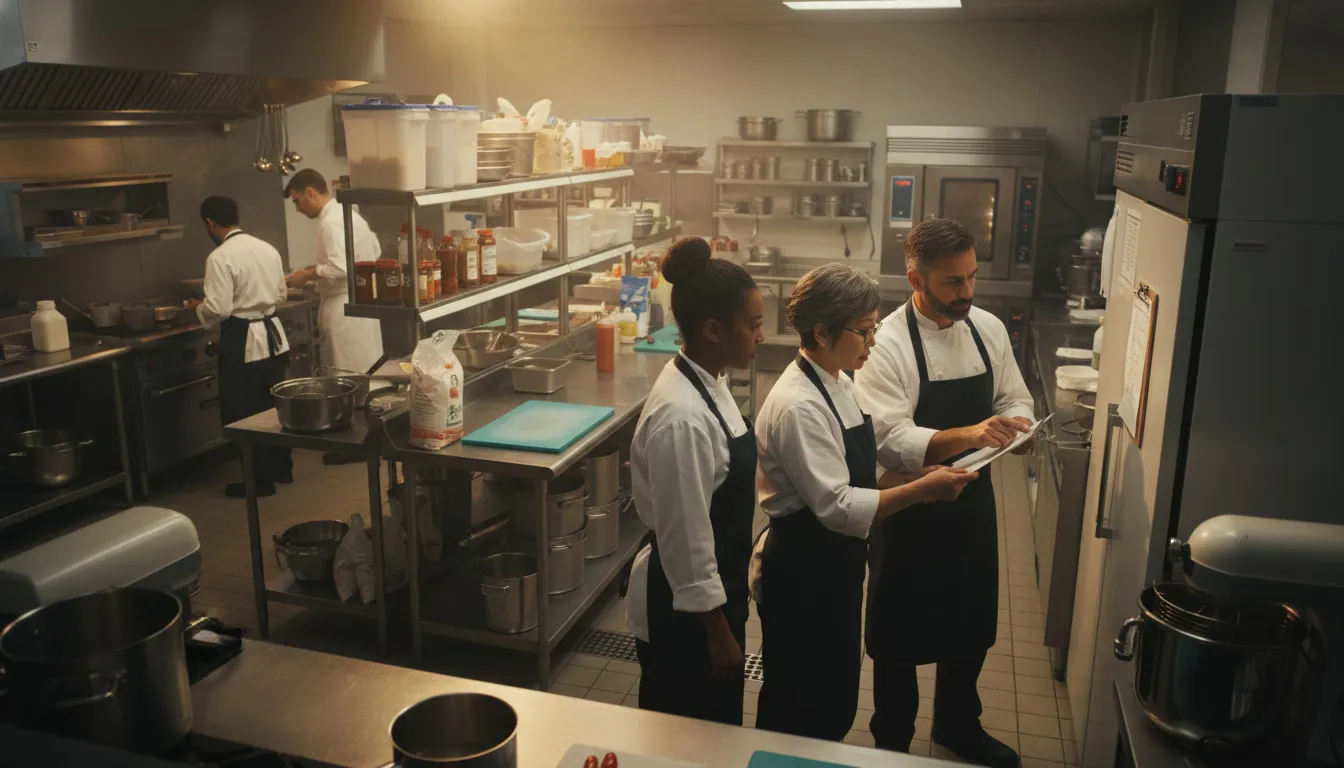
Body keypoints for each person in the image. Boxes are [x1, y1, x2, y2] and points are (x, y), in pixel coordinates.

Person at [753, 263, 976, 742]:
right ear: (821, 332)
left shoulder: (838, 381)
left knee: (832, 695)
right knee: (800, 704)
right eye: (863, 330)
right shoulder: (798, 405)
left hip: (834, 563)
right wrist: (924, 491)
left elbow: (859, 468)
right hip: (803, 569)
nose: (873, 341)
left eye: (874, 327)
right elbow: (837, 505)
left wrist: (914, 475)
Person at [854, 218, 1035, 767]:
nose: (967, 291)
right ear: (916, 278)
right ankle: (892, 739)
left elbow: (1014, 396)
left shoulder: (988, 328)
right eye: (953, 281)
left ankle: (959, 725)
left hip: (973, 501)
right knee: (898, 632)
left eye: (972, 277)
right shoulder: (885, 344)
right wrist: (972, 434)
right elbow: (889, 438)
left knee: (970, 618)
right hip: (909, 503)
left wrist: (1018, 427)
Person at [625, 238, 764, 725]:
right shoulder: (681, 417)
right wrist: (717, 632)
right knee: (686, 737)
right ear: (713, 330)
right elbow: (686, 537)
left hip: (715, 595)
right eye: (753, 325)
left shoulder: (707, 378)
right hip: (687, 616)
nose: (760, 336)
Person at [187, 196, 292, 498]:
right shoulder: (267, 248)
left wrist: (197, 308)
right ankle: (283, 469)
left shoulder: (219, 257)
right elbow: (281, 295)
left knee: (245, 411)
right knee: (276, 406)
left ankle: (259, 482)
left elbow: (218, 310)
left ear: (210, 223)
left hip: (243, 338)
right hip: (274, 337)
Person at [283, 168, 384, 464]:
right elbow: (374, 251)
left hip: (344, 309)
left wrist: (305, 274)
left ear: (310, 192)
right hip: (361, 302)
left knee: (345, 377)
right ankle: (368, 440)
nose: (298, 209)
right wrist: (314, 279)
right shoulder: (350, 215)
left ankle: (353, 446)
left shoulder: (331, 221)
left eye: (297, 201)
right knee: (365, 375)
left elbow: (340, 267)